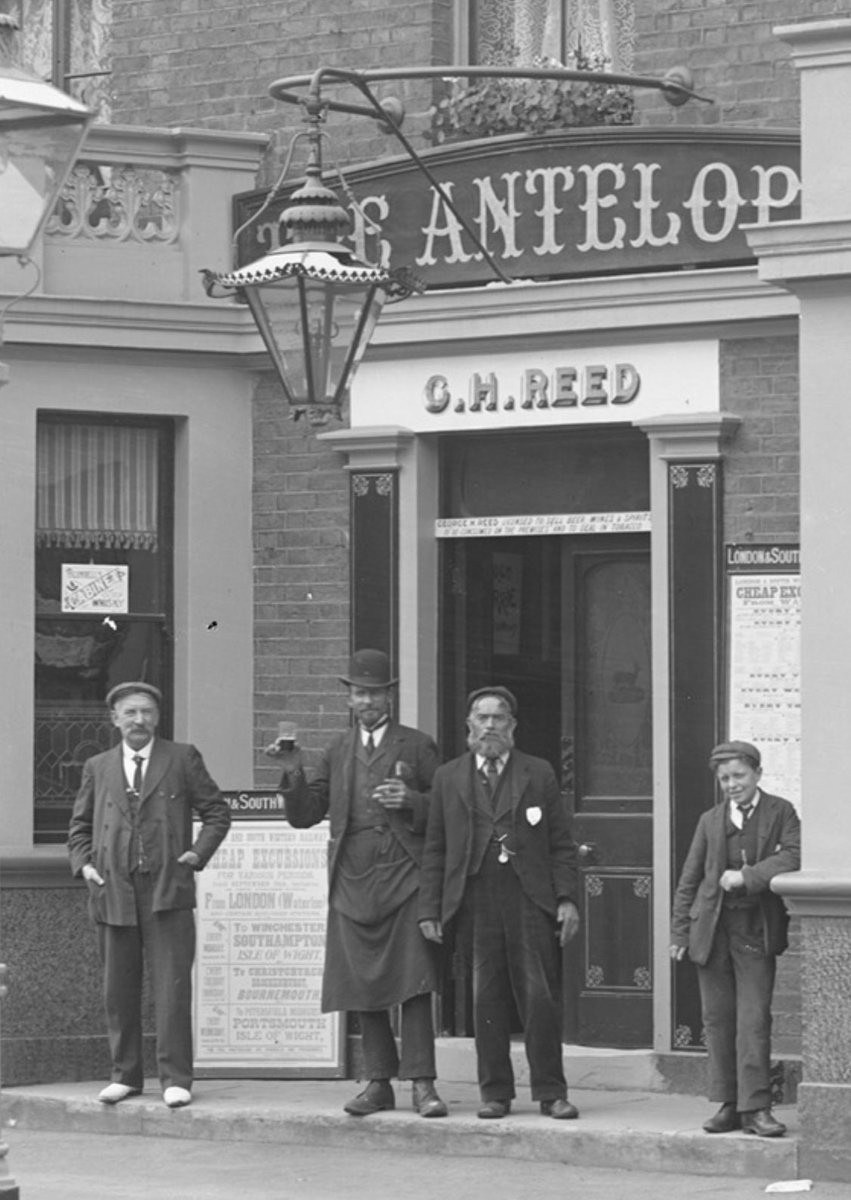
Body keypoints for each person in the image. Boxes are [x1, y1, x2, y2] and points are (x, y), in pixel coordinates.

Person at [267, 649, 447, 1118]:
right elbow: (306, 816)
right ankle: (378, 1083)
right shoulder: (336, 750)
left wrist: (412, 800)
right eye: (358, 693)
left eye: (374, 692)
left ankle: (423, 1084)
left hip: (405, 874)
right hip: (352, 877)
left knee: (413, 981)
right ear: (349, 699)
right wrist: (292, 772)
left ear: (390, 695)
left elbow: (447, 812)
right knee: (363, 983)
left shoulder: (417, 745)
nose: (366, 701)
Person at [418, 686, 580, 1120]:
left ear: (513, 726)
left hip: (529, 897)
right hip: (473, 900)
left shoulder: (538, 773)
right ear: (468, 725)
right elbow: (435, 848)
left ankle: (551, 1091)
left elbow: (562, 844)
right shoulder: (448, 777)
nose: (490, 726)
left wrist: (566, 899)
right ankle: (495, 1093)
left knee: (539, 997)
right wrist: (429, 909)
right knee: (484, 998)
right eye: (482, 718)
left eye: (499, 718)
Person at [68, 681, 231, 1109]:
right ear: (115, 719)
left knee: (171, 988)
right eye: (130, 713)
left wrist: (195, 856)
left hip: (167, 890)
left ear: (157, 718)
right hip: (113, 891)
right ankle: (125, 1075)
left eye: (146, 712)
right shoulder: (98, 766)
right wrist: (85, 865)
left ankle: (176, 1078)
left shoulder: (181, 758)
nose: (138, 721)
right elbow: (79, 828)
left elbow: (217, 812)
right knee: (117, 989)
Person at [669, 740, 800, 1138]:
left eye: (738, 776)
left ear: (757, 774)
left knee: (754, 1020)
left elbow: (794, 854)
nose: (731, 784)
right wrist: (680, 931)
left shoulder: (781, 812)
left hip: (754, 932)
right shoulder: (710, 820)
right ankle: (728, 1105)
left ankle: (757, 1108)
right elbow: (690, 878)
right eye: (724, 778)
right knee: (718, 1020)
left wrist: (749, 876)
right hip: (711, 932)